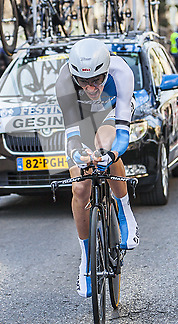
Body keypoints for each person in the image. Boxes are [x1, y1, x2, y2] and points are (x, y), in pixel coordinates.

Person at [55, 38, 139, 298]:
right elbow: (71, 138)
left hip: (112, 112)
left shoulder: (121, 72)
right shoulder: (65, 82)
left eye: (97, 80)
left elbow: (122, 136)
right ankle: (87, 258)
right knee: (80, 188)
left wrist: (112, 153)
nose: (91, 87)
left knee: (104, 142)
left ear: (106, 70)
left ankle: (124, 213)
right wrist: (78, 154)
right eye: (83, 81)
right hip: (81, 120)